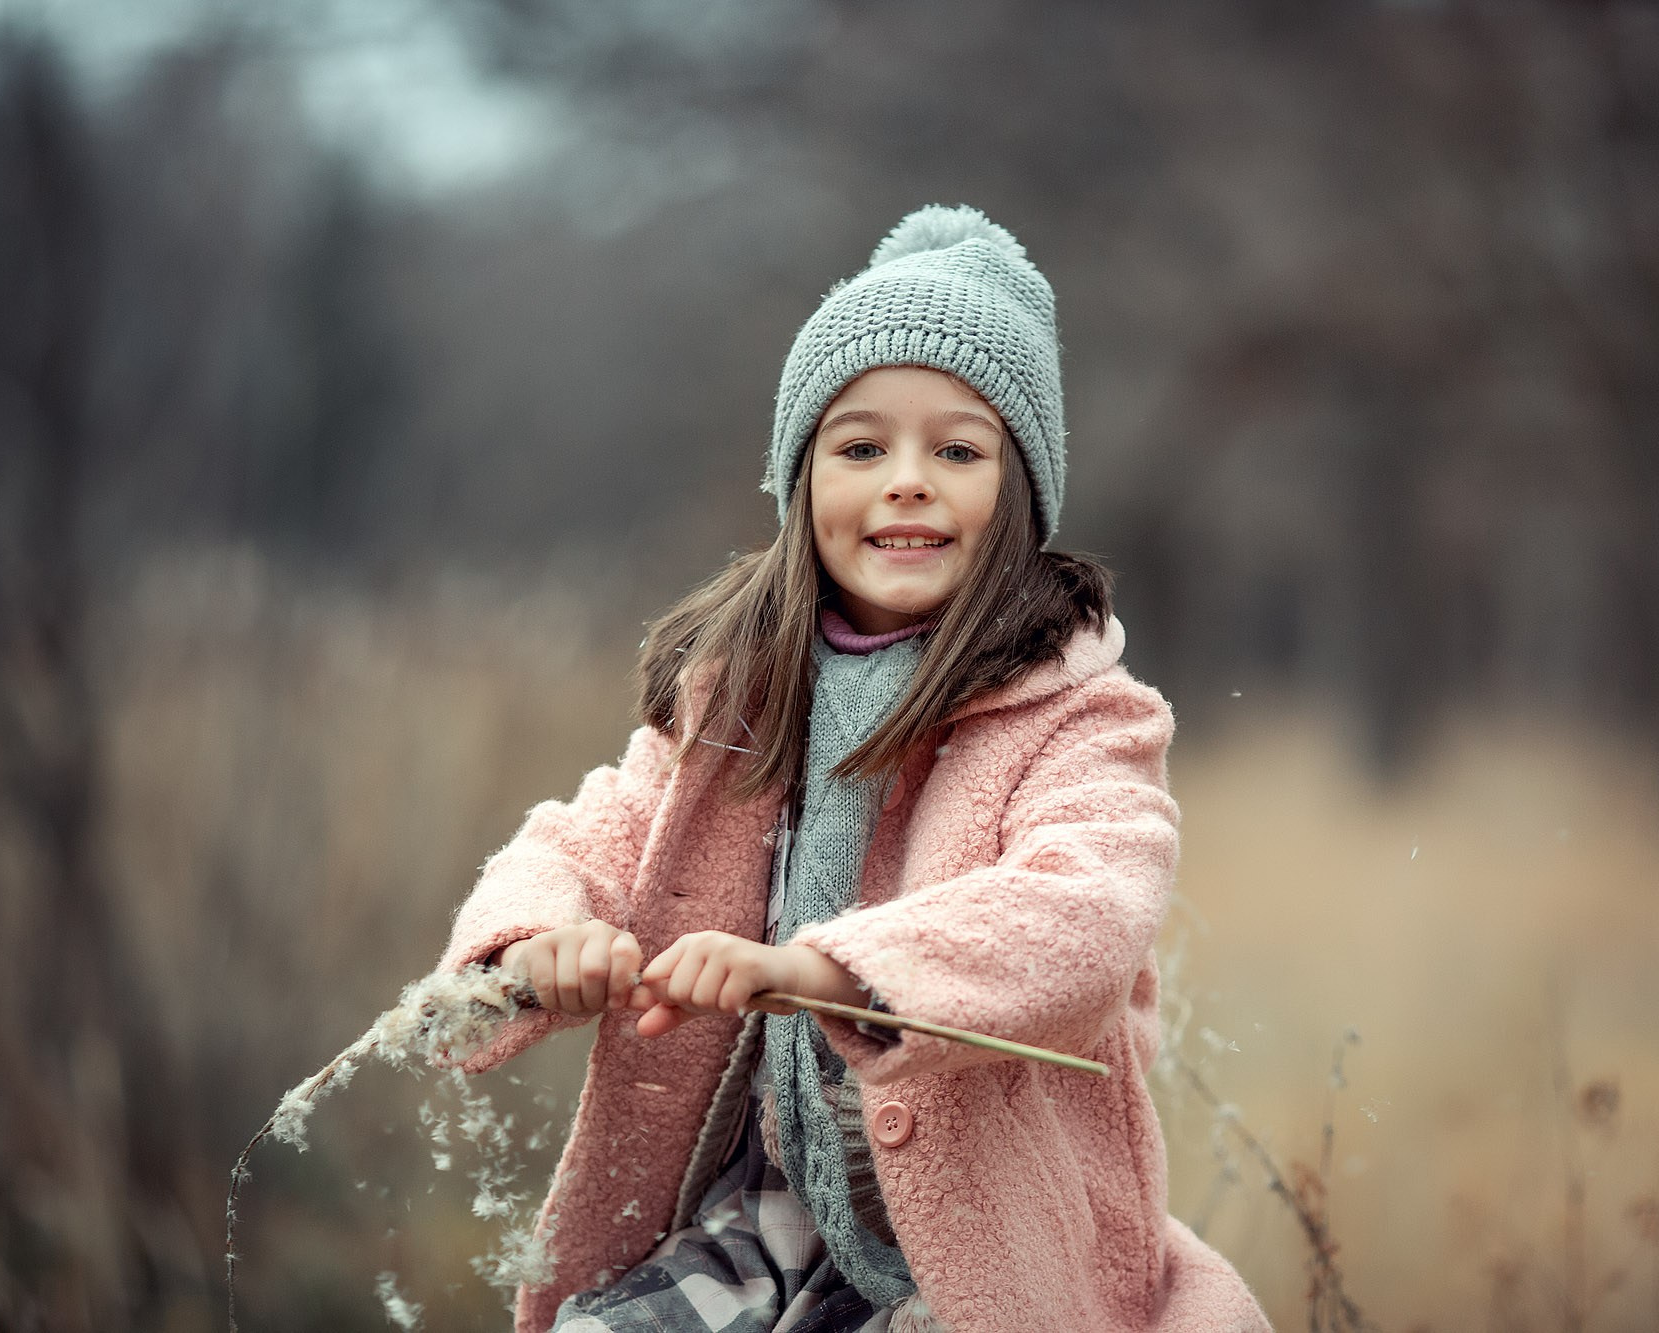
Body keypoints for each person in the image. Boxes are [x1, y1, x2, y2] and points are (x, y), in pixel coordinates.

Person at [439, 205, 1272, 1333]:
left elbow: (1084, 910)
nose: (907, 482)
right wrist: (542, 940)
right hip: (767, 1211)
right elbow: (586, 832)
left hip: (975, 1243)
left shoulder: (1079, 714)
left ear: (1019, 493)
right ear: (800, 482)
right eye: (861, 446)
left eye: (959, 450)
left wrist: (832, 971)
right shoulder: (738, 696)